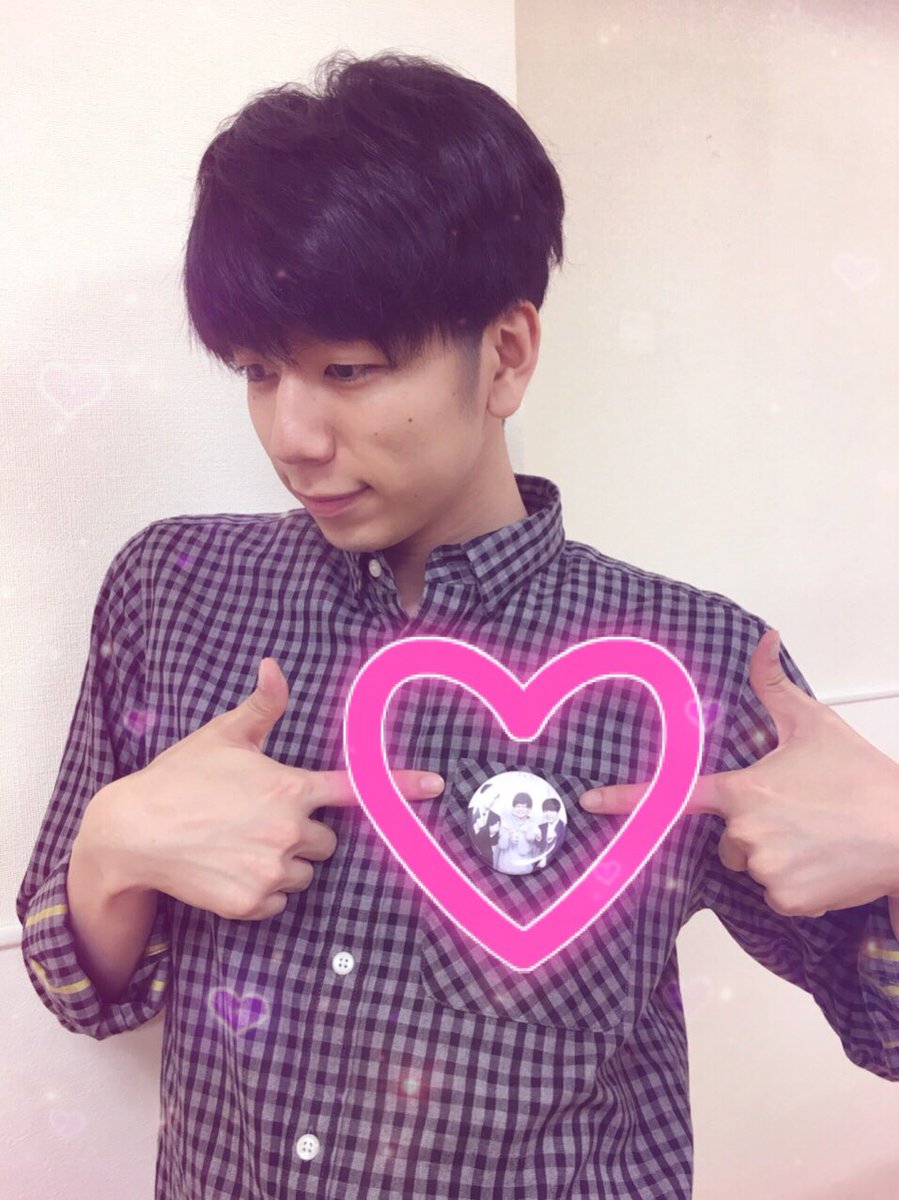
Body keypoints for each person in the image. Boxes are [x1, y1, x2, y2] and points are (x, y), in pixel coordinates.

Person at [16, 49, 899, 1200]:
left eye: (348, 369)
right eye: (257, 371)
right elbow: (78, 990)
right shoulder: (173, 591)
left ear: (506, 355)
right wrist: (113, 847)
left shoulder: (689, 668)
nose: (291, 436)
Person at [493, 792, 541, 874]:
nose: (520, 809)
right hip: (504, 866)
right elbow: (502, 845)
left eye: (524, 807)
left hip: (524, 869)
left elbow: (524, 850)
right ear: (513, 808)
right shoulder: (506, 822)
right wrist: (508, 834)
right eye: (518, 806)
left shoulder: (533, 825)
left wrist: (521, 834)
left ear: (529, 809)